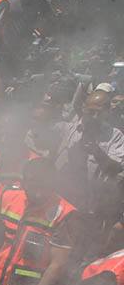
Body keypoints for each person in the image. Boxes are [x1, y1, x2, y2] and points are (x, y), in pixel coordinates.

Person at [49, 89, 124, 254]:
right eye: (91, 112)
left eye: (99, 113)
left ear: (107, 112)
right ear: (83, 109)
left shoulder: (115, 136)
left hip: (89, 210)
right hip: (58, 203)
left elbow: (116, 168)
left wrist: (96, 151)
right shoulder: (68, 129)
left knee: (76, 253)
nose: (94, 117)